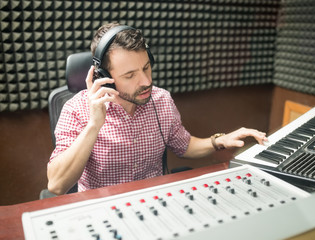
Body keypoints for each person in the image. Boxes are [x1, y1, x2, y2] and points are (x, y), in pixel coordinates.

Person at [47, 22, 268, 195]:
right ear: (105, 78)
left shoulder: (161, 100)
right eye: (130, 75)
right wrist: (94, 125)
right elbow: (57, 184)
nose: (145, 81)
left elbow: (183, 145)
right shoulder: (75, 109)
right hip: (102, 209)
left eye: (146, 68)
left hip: (153, 201)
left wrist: (218, 140)